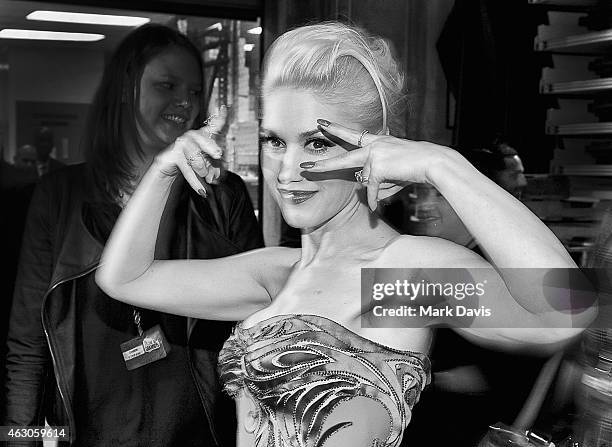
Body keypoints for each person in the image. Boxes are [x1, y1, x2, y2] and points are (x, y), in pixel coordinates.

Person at [96, 22, 594, 447]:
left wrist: (444, 166)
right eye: (274, 141)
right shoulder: (278, 273)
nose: (287, 169)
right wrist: (164, 170)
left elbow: (563, 314)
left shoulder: (396, 279)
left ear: (372, 151)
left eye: (316, 143)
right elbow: (125, 278)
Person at [3, 24, 262, 446]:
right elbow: (27, 345)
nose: (185, 102)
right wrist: (17, 439)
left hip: (200, 437)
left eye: (195, 92)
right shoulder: (59, 197)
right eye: (167, 84)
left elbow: (256, 337)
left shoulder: (221, 196)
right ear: (126, 90)